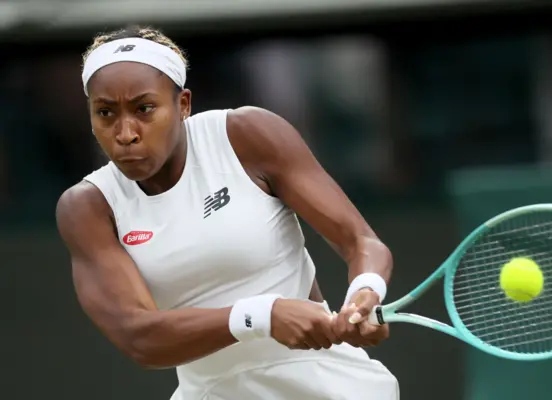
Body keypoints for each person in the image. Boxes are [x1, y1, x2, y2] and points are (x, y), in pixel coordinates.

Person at [55, 26, 399, 399]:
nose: (125, 133)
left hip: (326, 382)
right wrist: (263, 315)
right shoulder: (88, 206)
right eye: (105, 113)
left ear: (183, 104)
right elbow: (140, 337)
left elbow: (361, 242)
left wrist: (365, 292)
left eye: (144, 109)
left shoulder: (246, 135)